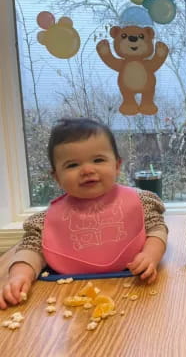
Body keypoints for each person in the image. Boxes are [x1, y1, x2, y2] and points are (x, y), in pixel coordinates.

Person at [0, 118, 168, 309]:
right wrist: (20, 275)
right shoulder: (45, 221)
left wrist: (151, 255)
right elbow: (30, 249)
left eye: (98, 160)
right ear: (56, 177)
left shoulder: (141, 202)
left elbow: (157, 229)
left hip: (136, 295)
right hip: (66, 300)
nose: (87, 170)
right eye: (72, 165)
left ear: (117, 165)